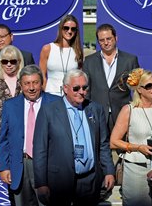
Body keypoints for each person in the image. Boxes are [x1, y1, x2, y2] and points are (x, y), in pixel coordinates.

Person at [33, 69, 115, 206]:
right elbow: (40, 149)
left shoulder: (95, 109)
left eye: (84, 88)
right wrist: (41, 183)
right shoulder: (49, 111)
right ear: (65, 88)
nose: (81, 92)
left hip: (89, 180)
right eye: (76, 88)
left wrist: (109, 171)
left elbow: (103, 144)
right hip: (59, 181)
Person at [0, 65, 60, 206]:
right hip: (20, 166)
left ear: (42, 83)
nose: (31, 88)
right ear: (21, 84)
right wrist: (4, 167)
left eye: (35, 82)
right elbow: (4, 140)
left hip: (47, 165)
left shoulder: (56, 102)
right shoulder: (10, 105)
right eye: (27, 83)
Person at [110, 69, 152, 206]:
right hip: (136, 169)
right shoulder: (129, 110)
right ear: (139, 90)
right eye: (149, 86)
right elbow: (113, 142)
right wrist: (137, 147)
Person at [83, 23, 139, 131]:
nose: (106, 42)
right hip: (97, 114)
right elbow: (86, 90)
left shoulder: (130, 60)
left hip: (122, 113)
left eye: (109, 39)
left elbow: (137, 89)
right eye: (102, 40)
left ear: (116, 38)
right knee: (99, 147)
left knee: (122, 147)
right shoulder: (89, 61)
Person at [39, 14, 83, 96]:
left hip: (70, 96)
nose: (69, 31)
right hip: (50, 94)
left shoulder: (77, 51)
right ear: (60, 28)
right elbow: (42, 75)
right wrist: (45, 91)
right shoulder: (48, 48)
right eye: (66, 28)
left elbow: (79, 76)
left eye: (73, 29)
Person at [0, 45, 24, 150]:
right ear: (0, 62)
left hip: (22, 139)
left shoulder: (25, 82)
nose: (9, 65)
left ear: (19, 61)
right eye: (5, 61)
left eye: (13, 61)